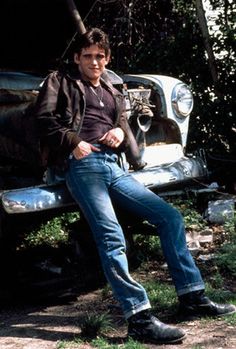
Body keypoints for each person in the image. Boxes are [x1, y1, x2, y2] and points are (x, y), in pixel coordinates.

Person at [35, 28, 235, 345]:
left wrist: (117, 130)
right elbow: (43, 118)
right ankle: (139, 318)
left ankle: (192, 296)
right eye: (87, 56)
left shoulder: (113, 89)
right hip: (84, 167)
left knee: (170, 218)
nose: (94, 62)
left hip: (115, 167)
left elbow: (123, 122)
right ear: (77, 58)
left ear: (108, 58)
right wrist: (74, 142)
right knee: (111, 236)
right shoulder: (62, 82)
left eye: (100, 56)